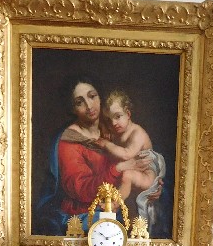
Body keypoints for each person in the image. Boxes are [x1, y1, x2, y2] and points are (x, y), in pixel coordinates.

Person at [34, 76, 158, 236]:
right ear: (73, 109)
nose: (89, 105)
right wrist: (119, 168)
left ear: (100, 97)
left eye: (92, 96)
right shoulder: (69, 142)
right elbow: (81, 190)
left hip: (119, 207)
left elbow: (145, 160)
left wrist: (152, 186)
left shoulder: (113, 127)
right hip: (87, 214)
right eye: (80, 102)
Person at [93, 90, 166, 227]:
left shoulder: (137, 132)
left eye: (118, 116)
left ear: (128, 114)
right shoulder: (117, 133)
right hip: (134, 180)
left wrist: (107, 144)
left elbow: (127, 154)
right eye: (109, 120)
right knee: (132, 216)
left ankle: (114, 204)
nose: (114, 123)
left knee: (127, 175)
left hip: (148, 176)